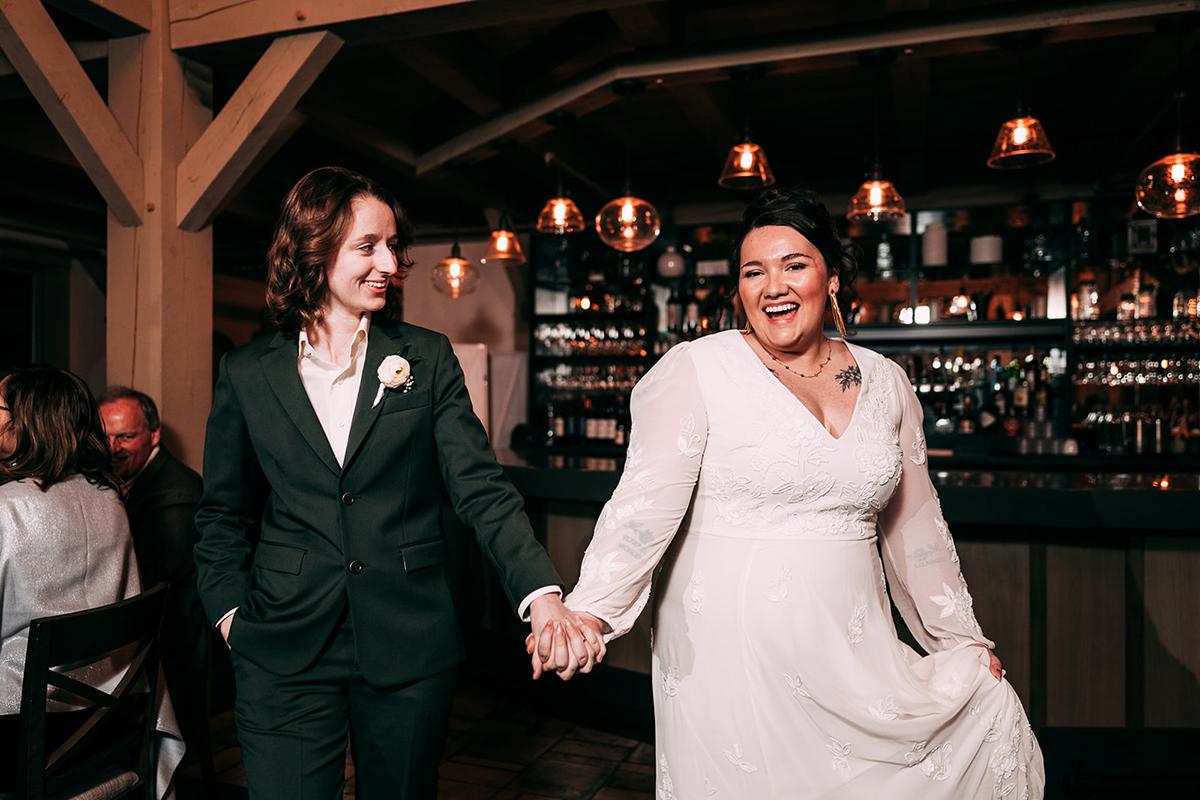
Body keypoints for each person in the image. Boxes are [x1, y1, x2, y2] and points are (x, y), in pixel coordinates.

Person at [561, 188, 1045, 798]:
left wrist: (961, 640)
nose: (772, 287)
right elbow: (642, 507)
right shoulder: (698, 369)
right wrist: (590, 612)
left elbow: (915, 526)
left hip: (855, 650)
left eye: (794, 265)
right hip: (728, 655)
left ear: (832, 279)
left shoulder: (886, 382)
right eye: (753, 271)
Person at [193, 166, 601, 799]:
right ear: (314, 248)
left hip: (407, 640)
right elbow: (222, 513)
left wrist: (541, 592)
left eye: (392, 245)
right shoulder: (247, 372)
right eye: (368, 246)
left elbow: (479, 487)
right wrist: (229, 617)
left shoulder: (427, 356)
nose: (389, 262)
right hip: (280, 641)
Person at [0, 366, 185, 797]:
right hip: (109, 722)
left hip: (23, 736)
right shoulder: (108, 498)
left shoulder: (7, 510)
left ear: (26, 421)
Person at [99, 386, 216, 791]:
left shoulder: (176, 495)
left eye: (125, 437)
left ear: (153, 435)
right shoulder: (129, 481)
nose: (113, 448)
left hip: (173, 648)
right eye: (105, 437)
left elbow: (150, 587)